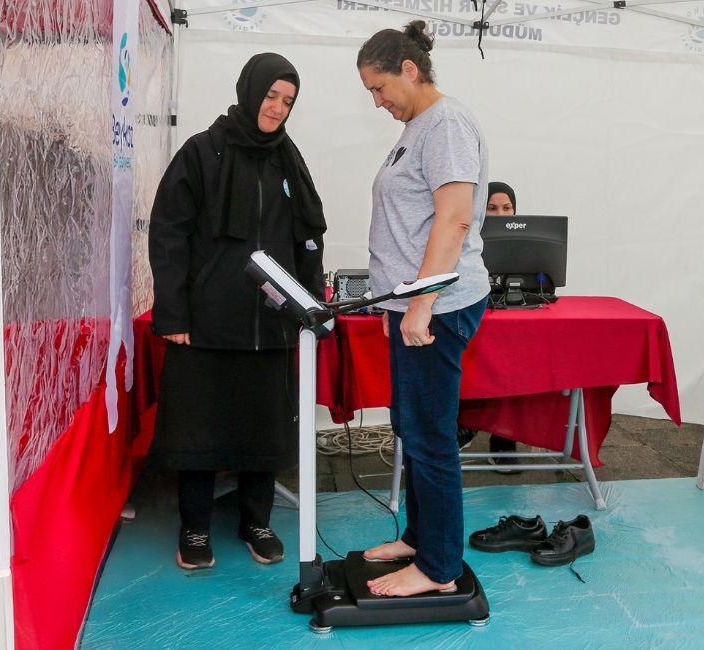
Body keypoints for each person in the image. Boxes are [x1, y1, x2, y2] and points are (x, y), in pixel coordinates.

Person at [148, 53, 326, 571]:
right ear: (249, 91)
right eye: (271, 96)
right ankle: (195, 528)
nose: (277, 108)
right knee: (197, 430)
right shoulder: (202, 153)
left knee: (262, 430)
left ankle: (257, 522)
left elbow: (307, 238)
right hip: (205, 324)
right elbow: (169, 235)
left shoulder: (287, 159)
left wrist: (309, 309)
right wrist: (174, 314)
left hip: (271, 324)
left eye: (287, 101)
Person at [356, 21, 491, 597]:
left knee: (431, 433)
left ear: (409, 70)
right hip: (411, 303)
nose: (377, 101)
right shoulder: (417, 127)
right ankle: (419, 535)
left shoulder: (447, 124)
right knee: (412, 426)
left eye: (380, 87)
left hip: (434, 306)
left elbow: (455, 217)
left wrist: (421, 304)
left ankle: (438, 568)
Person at [457, 181, 521, 471]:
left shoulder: (522, 239)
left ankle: (504, 436)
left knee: (516, 358)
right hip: (472, 311)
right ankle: (465, 424)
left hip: (512, 316)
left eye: (507, 208)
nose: (500, 214)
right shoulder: (464, 240)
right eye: (492, 208)